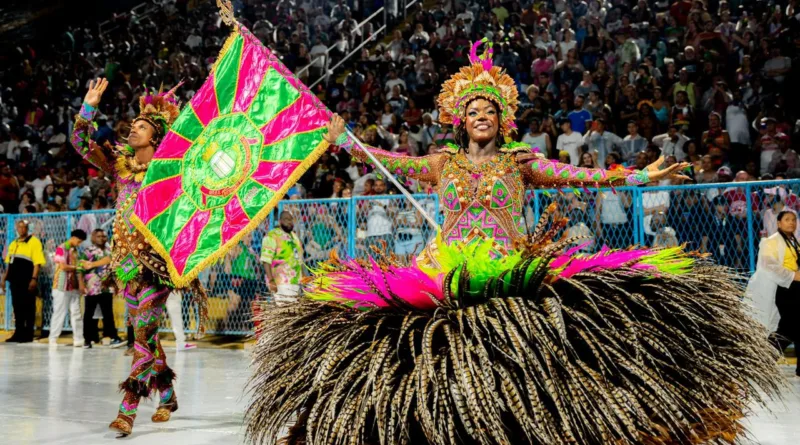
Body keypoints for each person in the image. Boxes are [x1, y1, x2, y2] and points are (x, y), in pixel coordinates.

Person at [246, 40, 781, 445]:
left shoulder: (520, 162)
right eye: (473, 112)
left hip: (509, 268)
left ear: (503, 121)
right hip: (445, 269)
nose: (482, 118)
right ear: (461, 121)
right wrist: (343, 139)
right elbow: (387, 160)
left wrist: (641, 176)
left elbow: (581, 177)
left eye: (490, 112)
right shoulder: (442, 163)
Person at [71, 79, 208, 436]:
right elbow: (80, 143)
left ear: (156, 137)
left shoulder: (170, 172)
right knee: (147, 336)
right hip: (126, 268)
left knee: (142, 338)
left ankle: (127, 411)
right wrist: (89, 107)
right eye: (133, 124)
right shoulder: (120, 167)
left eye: (142, 126)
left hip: (156, 268)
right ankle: (168, 396)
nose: (133, 129)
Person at [746, 211, 800, 377]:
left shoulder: (794, 241)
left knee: (794, 326)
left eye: (794, 220)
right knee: (788, 328)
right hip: (783, 289)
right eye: (787, 219)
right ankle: (762, 361)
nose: (791, 223)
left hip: (795, 288)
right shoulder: (770, 242)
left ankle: (763, 361)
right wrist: (793, 275)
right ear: (778, 223)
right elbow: (768, 265)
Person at [2, 219, 46, 343]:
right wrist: (4, 278)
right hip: (15, 281)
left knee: (28, 307)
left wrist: (34, 279)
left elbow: (37, 263)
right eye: (19, 227)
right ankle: (18, 333)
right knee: (17, 308)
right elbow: (9, 263)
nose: (21, 229)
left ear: (27, 228)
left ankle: (28, 334)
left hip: (27, 280)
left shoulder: (34, 242)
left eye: (24, 227)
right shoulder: (14, 243)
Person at [79, 229, 124, 348]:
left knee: (108, 313)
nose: (102, 238)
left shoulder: (110, 250)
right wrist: (81, 284)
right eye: (98, 236)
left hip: (107, 287)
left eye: (104, 236)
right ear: (93, 238)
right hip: (92, 286)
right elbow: (80, 268)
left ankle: (113, 337)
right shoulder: (89, 251)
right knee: (89, 313)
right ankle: (87, 339)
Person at [48, 229, 87, 346]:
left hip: (73, 285)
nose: (79, 244)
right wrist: (77, 267)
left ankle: (78, 339)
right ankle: (53, 338)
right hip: (61, 285)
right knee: (59, 313)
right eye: (79, 241)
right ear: (73, 238)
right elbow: (63, 267)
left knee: (76, 313)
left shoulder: (75, 251)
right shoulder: (61, 248)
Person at [260, 211, 304, 305]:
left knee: (292, 310)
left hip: (295, 282)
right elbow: (266, 260)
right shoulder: (272, 236)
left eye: (291, 219)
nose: (289, 222)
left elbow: (299, 260)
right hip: (280, 282)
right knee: (285, 309)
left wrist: (304, 277)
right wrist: (271, 281)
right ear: (280, 221)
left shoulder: (295, 237)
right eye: (286, 219)